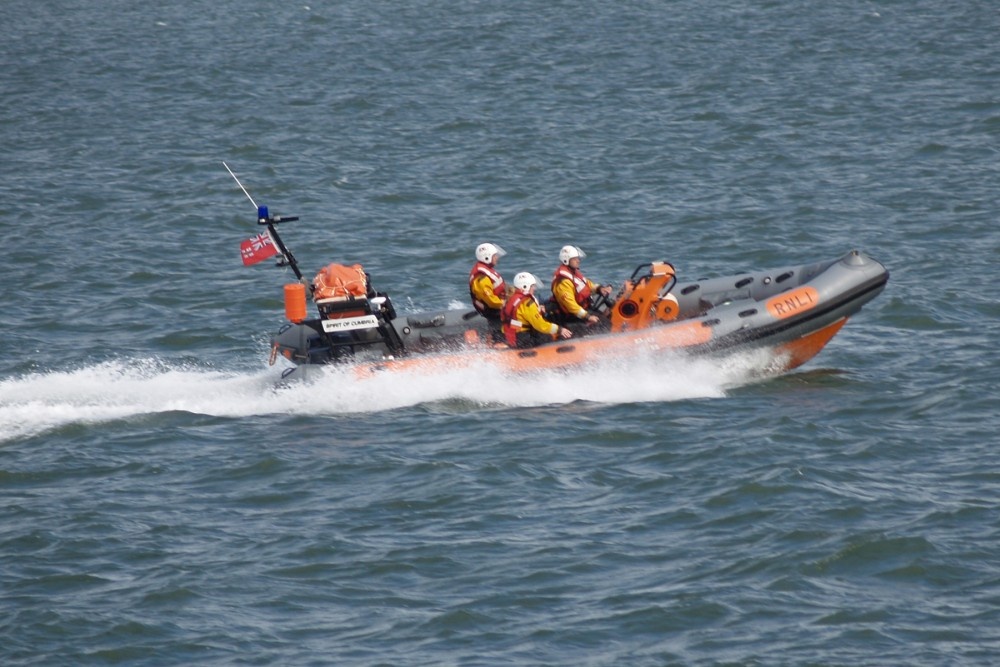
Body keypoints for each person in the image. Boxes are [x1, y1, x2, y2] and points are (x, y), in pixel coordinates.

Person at [549, 245, 613, 333]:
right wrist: (587, 316)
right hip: (572, 316)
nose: (578, 260)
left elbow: (587, 285)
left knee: (609, 312)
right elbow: (570, 305)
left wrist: (600, 289)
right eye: (575, 258)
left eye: (578, 258)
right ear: (566, 260)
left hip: (583, 309)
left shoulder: (573, 273)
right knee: (603, 323)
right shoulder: (563, 282)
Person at [501, 272, 573, 349]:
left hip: (509, 333)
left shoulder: (510, 299)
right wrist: (559, 329)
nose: (534, 288)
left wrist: (537, 311)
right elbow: (541, 326)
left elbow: (517, 318)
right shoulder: (528, 303)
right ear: (525, 286)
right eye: (532, 286)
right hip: (522, 338)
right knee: (550, 337)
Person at [469, 242, 507, 343]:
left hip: (496, 306)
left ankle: (496, 339)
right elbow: (490, 300)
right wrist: (503, 304)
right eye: (495, 256)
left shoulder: (486, 272)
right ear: (487, 257)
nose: (497, 258)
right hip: (492, 309)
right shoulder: (481, 278)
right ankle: (498, 342)